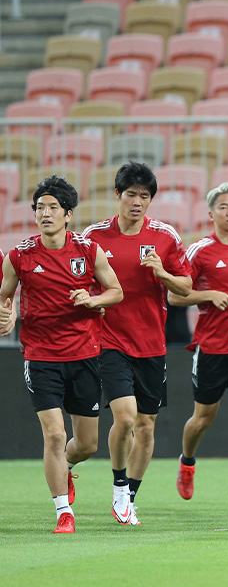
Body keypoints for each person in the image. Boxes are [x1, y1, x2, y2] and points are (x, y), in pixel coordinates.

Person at [0, 175, 123, 533]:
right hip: (40, 356)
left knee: (86, 443)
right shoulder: (19, 255)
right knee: (54, 435)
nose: (45, 213)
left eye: (53, 207)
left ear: (68, 214)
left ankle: (67, 466)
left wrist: (93, 299)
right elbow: (4, 295)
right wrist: (6, 317)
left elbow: (115, 291)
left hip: (84, 354)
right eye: (40, 207)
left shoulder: (88, 250)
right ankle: (63, 512)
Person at [82, 162, 193, 525]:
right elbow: (80, 282)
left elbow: (186, 288)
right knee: (126, 416)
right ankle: (117, 487)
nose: (137, 202)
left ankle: (130, 494)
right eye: (131, 195)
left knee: (146, 426)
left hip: (151, 343)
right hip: (109, 340)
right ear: (118, 195)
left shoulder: (165, 237)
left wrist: (161, 272)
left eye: (144, 197)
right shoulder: (93, 238)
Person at [168, 183, 228, 510]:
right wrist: (208, 295)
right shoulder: (200, 251)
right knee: (202, 419)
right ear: (211, 214)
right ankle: (187, 461)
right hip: (211, 348)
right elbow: (173, 295)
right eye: (223, 206)